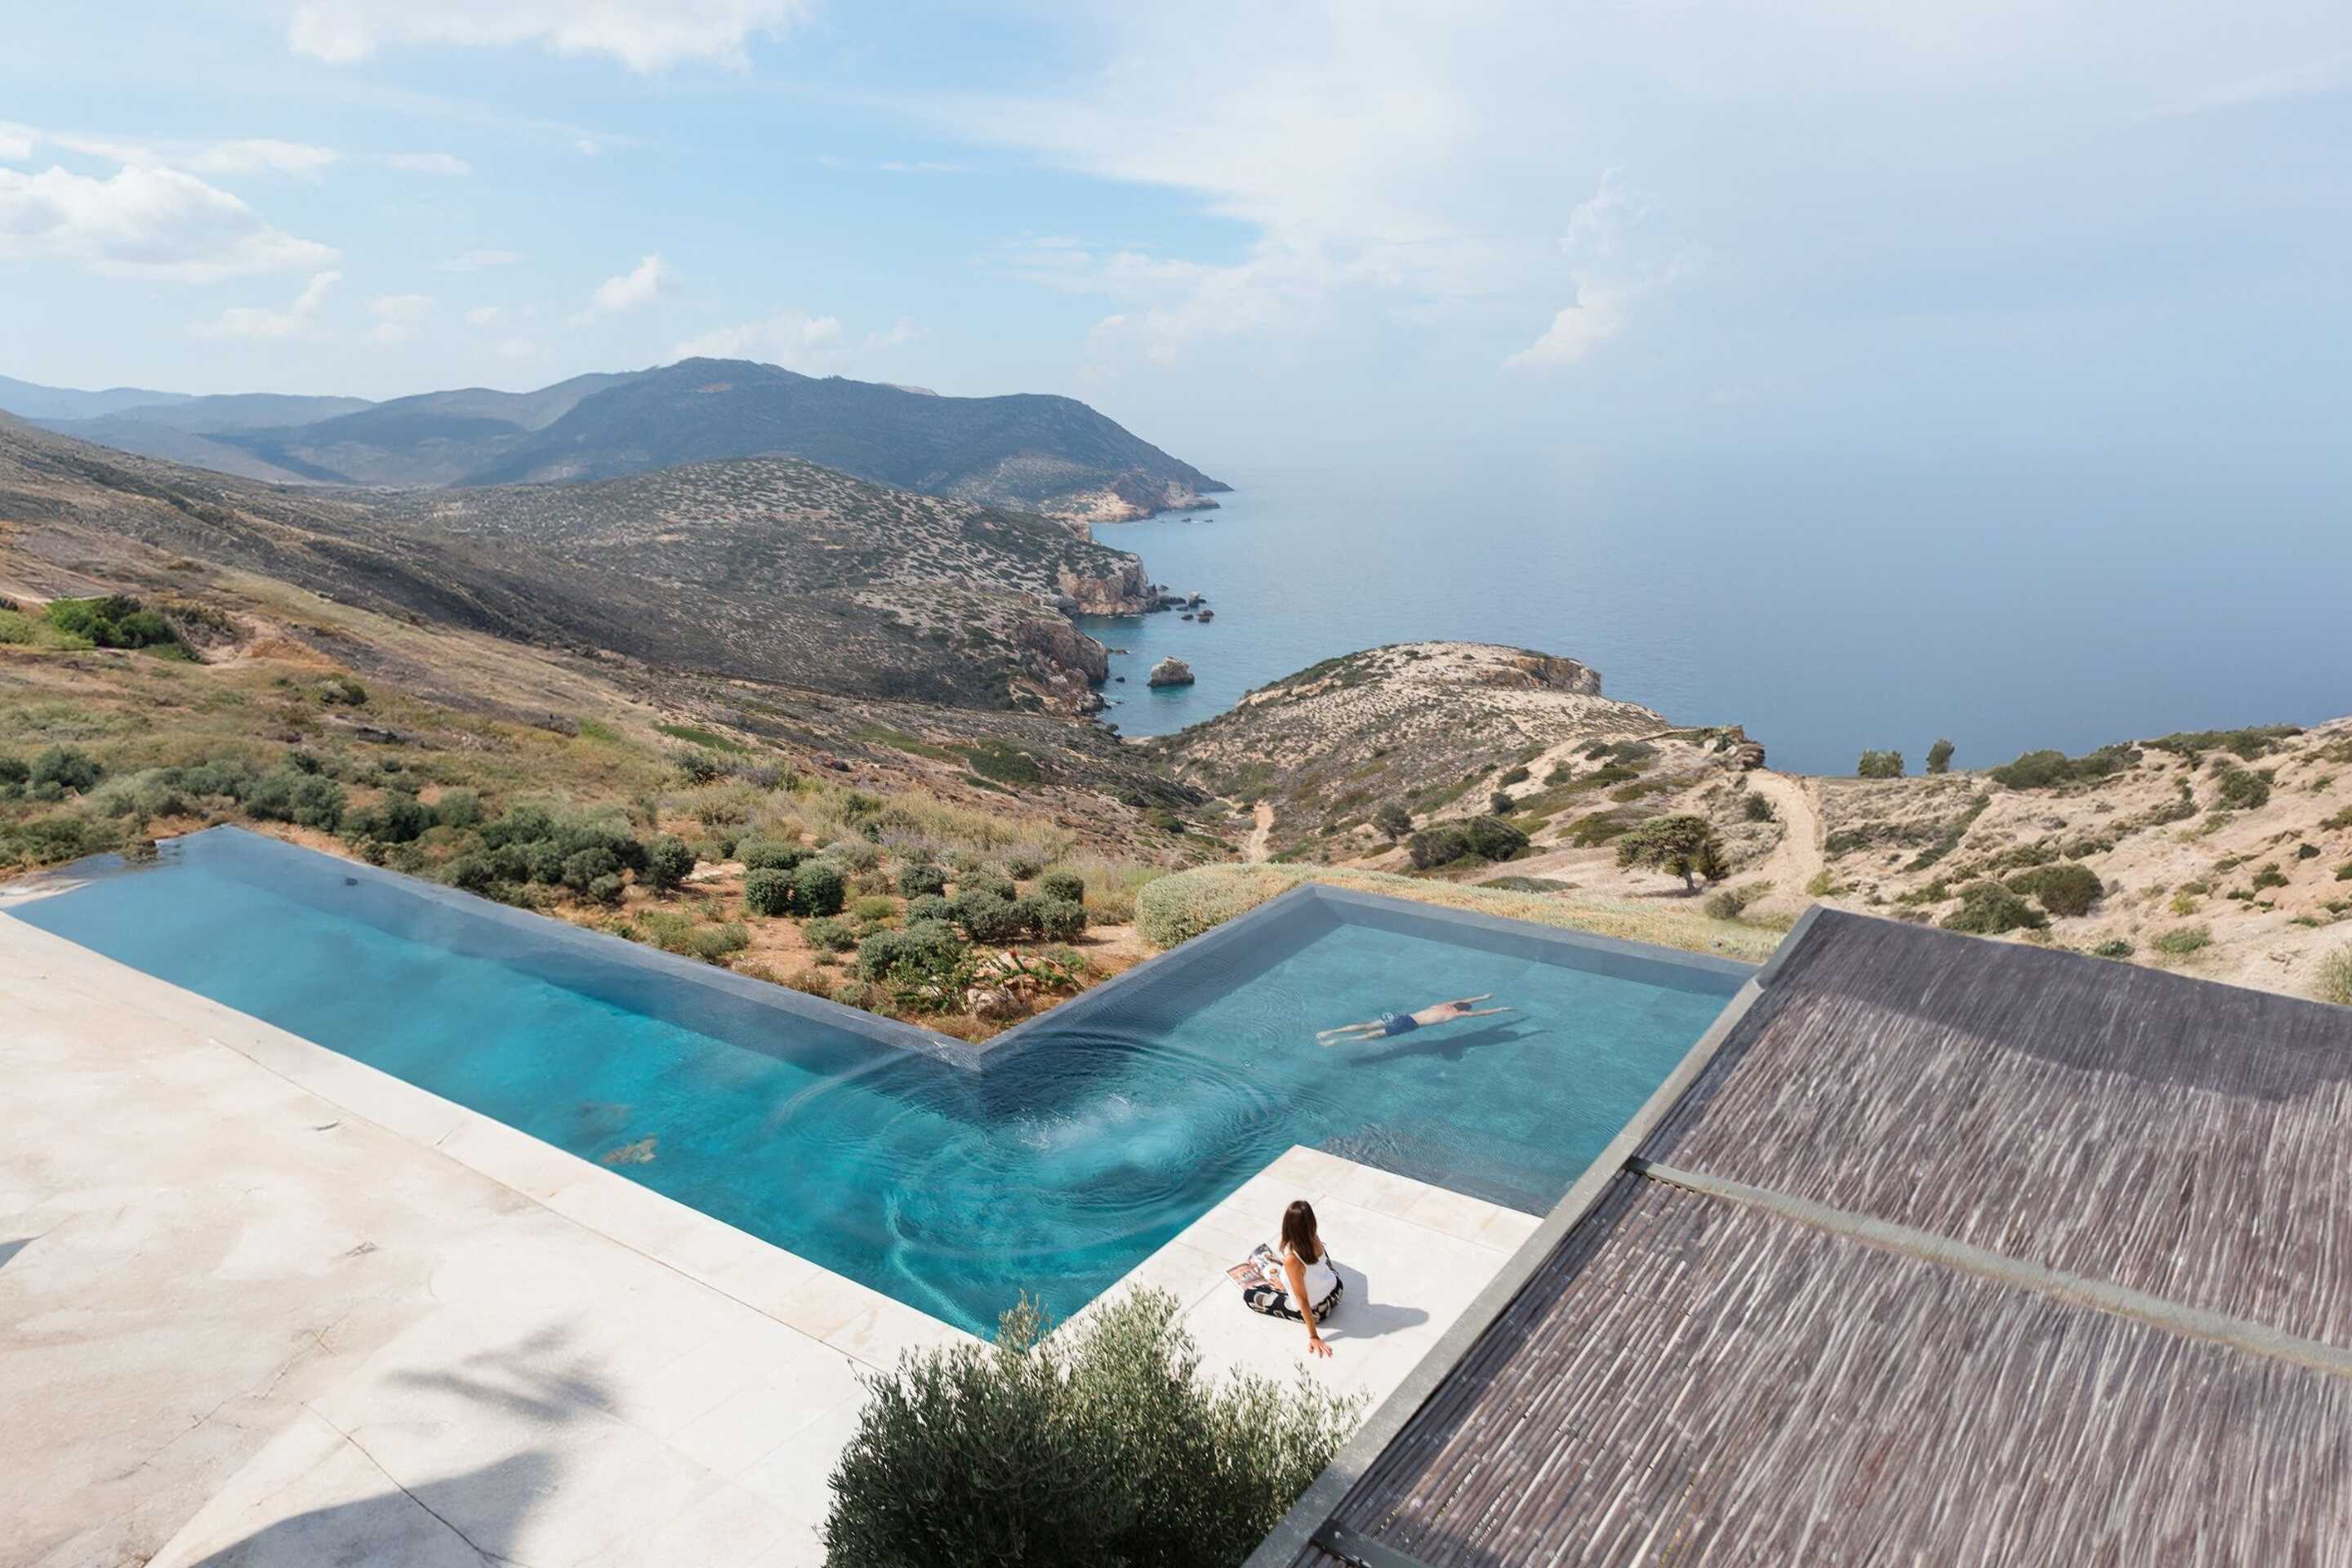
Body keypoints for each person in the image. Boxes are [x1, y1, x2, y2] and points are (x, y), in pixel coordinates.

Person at [1231, 1200, 1343, 1357]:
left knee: (1250, 1295)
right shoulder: (1315, 1238)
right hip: (1336, 1290)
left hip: (1318, 1311)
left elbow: (1302, 1300)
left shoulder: (1293, 1260)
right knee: (1316, 1266)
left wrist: (1314, 1336)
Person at [1316, 994, 1510, 1046]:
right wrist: (1500, 1009)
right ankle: (1336, 1041)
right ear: (1462, 1010)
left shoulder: (1445, 1005)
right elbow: (1482, 1014)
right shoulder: (1456, 1014)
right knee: (1372, 1036)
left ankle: (1329, 1032)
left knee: (1365, 1026)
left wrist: (1483, 997)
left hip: (1405, 1017)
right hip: (1409, 1025)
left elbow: (1467, 1000)